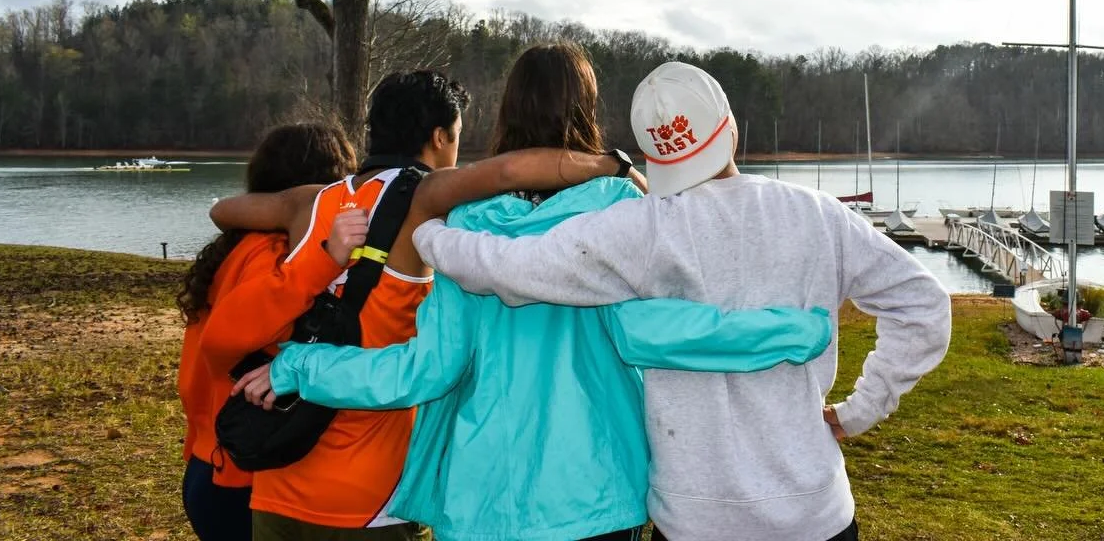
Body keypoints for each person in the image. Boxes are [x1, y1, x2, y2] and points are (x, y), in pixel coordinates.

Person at [236, 43, 832, 541]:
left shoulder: (464, 223)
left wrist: (300, 366)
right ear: (587, 110)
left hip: (482, 496)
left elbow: (424, 373)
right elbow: (656, 332)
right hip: (597, 490)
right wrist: (798, 330)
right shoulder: (623, 207)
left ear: (505, 112)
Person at [412, 61, 954, 541]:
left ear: (654, 152)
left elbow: (511, 270)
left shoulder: (642, 227)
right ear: (732, 131)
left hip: (692, 518)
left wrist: (431, 235)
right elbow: (925, 307)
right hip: (814, 510)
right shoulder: (817, 215)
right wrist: (862, 409)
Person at [205, 69, 635, 539]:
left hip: (279, 473)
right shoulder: (425, 198)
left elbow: (222, 210)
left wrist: (317, 257)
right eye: (456, 137)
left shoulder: (312, 200)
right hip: (368, 495)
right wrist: (612, 167)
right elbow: (510, 171)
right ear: (439, 136)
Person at [176, 121, 357, 541]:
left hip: (212, 463)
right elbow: (229, 338)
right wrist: (324, 261)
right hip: (237, 473)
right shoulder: (272, 257)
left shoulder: (235, 248)